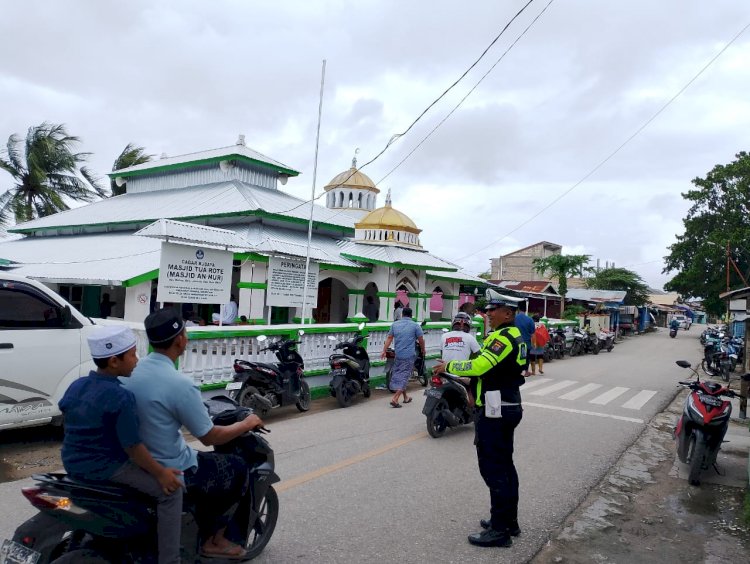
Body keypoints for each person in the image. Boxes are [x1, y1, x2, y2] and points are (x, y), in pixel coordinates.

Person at [124, 308, 264, 560]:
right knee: (236, 467)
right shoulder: (180, 384)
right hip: (170, 466)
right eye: (186, 332)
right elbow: (210, 437)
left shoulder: (129, 371)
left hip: (132, 462)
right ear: (180, 339)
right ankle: (215, 539)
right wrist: (246, 424)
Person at [59, 325, 184, 564]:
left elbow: (68, 415)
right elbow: (133, 448)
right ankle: (170, 559)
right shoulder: (121, 397)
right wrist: (162, 474)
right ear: (115, 361)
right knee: (172, 493)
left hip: (73, 465)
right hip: (108, 469)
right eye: (133, 354)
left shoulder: (78, 385)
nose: (137, 360)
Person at [432, 290, 526, 548]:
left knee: (494, 469)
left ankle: (500, 530)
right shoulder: (510, 335)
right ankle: (509, 521)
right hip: (505, 406)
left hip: (497, 411)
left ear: (508, 313)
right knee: (505, 467)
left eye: (494, 309)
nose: (488, 313)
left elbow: (480, 366)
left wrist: (448, 367)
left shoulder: (504, 338)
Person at [381, 307, 425, 407]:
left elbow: (389, 338)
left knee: (399, 373)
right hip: (409, 354)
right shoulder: (415, 326)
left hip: (398, 354)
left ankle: (405, 397)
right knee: (405, 375)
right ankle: (395, 398)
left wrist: (384, 350)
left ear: (402, 314)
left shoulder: (395, 324)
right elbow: (421, 339)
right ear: (411, 315)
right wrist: (423, 349)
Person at [514, 302, 535, 375]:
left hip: (515, 342)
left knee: (516, 356)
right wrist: (534, 344)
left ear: (518, 309)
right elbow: (532, 334)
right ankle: (525, 371)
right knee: (526, 357)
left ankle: (516, 370)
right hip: (526, 343)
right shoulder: (530, 320)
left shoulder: (513, 318)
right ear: (526, 310)